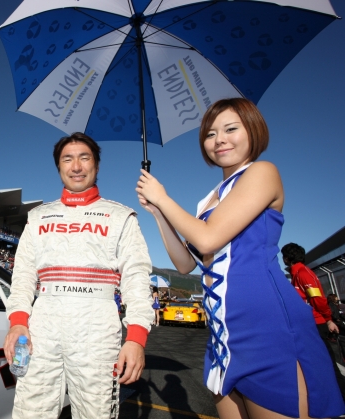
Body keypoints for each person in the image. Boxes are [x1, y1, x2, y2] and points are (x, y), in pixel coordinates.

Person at [136, 98, 344, 419]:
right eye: (210, 134)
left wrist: (164, 197)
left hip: (265, 325)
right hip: (223, 332)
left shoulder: (262, 172)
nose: (219, 139)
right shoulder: (208, 200)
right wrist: (157, 212)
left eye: (230, 129)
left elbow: (208, 238)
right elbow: (186, 264)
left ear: (253, 131)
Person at [3, 132, 153, 419]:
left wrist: (136, 338)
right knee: (30, 411)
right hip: (43, 325)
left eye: (84, 158)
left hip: (97, 327)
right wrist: (18, 322)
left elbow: (136, 279)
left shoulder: (120, 216)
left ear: (96, 165)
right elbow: (22, 276)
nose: (76, 166)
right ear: (59, 167)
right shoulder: (37, 217)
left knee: (96, 413)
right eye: (67, 159)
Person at [281, 242, 345, 399]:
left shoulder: (303, 274)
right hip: (310, 324)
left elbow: (318, 299)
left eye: (284, 256)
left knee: (327, 362)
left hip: (316, 324)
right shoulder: (298, 274)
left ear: (287, 258)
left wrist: (328, 319)